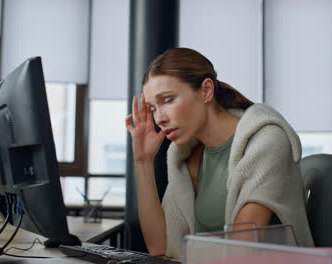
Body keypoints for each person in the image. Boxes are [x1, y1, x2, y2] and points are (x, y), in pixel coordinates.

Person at [125, 48, 313, 259]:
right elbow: (160, 248)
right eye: (152, 109)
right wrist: (143, 162)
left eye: (168, 100)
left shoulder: (267, 140)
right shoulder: (187, 156)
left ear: (206, 90)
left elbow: (241, 250)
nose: (159, 118)